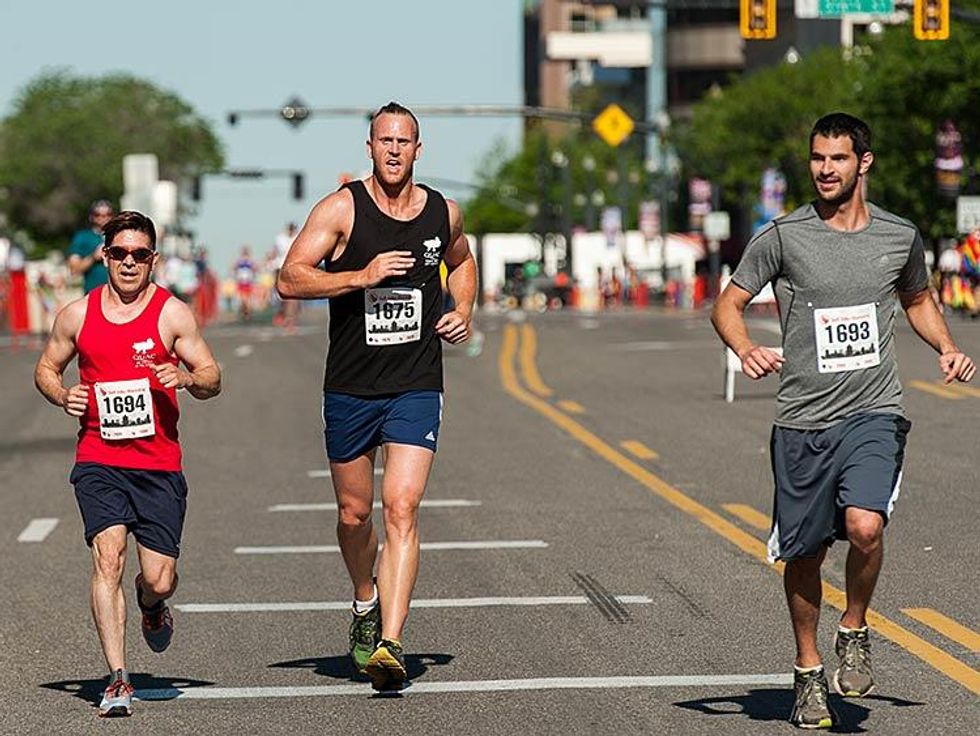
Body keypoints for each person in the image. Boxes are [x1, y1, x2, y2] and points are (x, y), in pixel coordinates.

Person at [711, 113, 976, 730]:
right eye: (816, 159)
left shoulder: (898, 235)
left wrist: (944, 346)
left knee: (864, 526)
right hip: (803, 420)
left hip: (873, 410)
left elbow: (916, 297)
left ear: (864, 162)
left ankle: (854, 626)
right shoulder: (783, 235)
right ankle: (807, 670)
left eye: (837, 158)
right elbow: (728, 302)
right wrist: (745, 347)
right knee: (803, 557)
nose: (825, 169)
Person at [277, 101, 476, 692]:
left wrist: (461, 308)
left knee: (404, 506)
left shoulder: (443, 211)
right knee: (354, 514)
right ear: (369, 147)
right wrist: (359, 276)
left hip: (415, 383)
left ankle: (390, 642)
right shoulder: (341, 209)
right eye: (384, 140)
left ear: (419, 149)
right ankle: (365, 600)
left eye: (404, 141)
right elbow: (290, 278)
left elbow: (462, 262)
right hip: (351, 387)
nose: (394, 150)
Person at [34, 211, 221, 717]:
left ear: (154, 260)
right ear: (106, 256)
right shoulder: (77, 315)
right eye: (120, 253)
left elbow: (211, 375)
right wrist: (62, 394)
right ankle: (118, 678)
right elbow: (47, 368)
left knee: (159, 577)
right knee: (109, 557)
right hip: (99, 458)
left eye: (140, 254)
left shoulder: (172, 314)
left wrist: (185, 379)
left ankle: (152, 604)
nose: (130, 263)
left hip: (158, 464)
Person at [68, 199, 114, 294]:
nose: (103, 218)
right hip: (93, 294)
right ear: (91, 217)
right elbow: (74, 269)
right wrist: (94, 257)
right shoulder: (82, 237)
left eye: (108, 214)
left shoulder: (119, 236)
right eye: (98, 215)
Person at [273, 222, 300, 328]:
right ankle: (283, 314)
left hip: (292, 267)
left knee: (292, 295)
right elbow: (274, 252)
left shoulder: (298, 237)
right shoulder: (280, 239)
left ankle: (290, 318)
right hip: (280, 266)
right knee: (281, 294)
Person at [233, 245, 257, 322]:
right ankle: (245, 313)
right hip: (241, 283)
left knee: (248, 300)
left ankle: (248, 314)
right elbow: (233, 268)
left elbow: (255, 268)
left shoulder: (251, 261)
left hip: (248, 283)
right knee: (243, 300)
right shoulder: (239, 261)